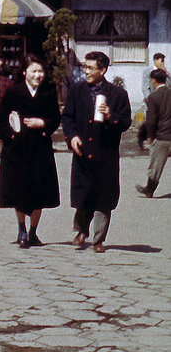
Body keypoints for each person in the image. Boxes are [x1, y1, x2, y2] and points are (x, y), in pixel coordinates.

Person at [62, 50, 131, 252]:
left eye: (91, 68)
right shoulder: (76, 90)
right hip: (83, 153)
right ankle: (81, 230)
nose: (86, 71)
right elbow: (67, 117)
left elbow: (125, 122)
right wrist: (72, 136)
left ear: (103, 70)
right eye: (85, 67)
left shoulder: (118, 94)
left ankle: (99, 239)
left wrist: (111, 115)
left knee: (104, 198)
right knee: (83, 194)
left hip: (105, 154)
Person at [0, 54, 61, 247]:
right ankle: (21, 229)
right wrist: (12, 136)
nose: (38, 75)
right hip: (17, 149)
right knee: (18, 189)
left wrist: (43, 123)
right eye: (34, 71)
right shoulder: (13, 92)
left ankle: (33, 231)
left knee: (39, 191)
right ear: (25, 72)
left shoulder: (49, 92)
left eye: (41, 71)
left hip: (40, 147)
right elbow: (0, 119)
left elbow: (56, 118)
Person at [136, 68, 171, 197]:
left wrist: (150, 136)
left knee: (156, 165)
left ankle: (149, 190)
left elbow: (151, 120)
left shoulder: (153, 97)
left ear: (153, 80)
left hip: (162, 136)